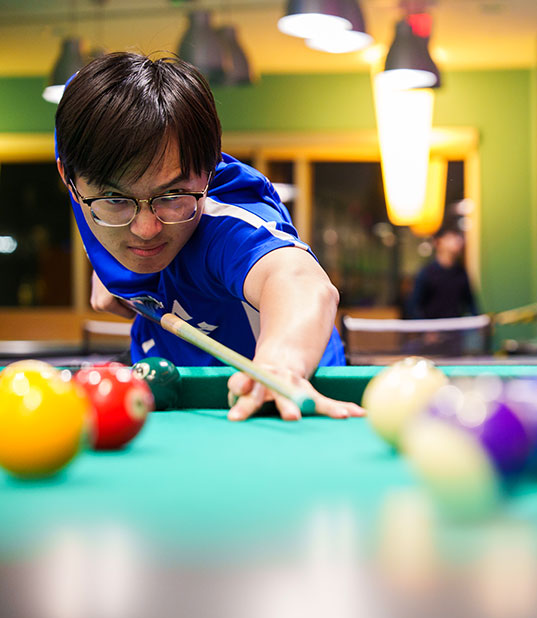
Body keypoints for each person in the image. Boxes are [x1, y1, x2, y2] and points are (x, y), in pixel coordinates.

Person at [55, 52, 363, 422]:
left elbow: (297, 280)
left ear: (208, 172)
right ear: (68, 179)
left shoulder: (224, 223)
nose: (145, 230)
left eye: (172, 195)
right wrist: (106, 271)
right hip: (167, 383)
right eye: (115, 200)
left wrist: (281, 364)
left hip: (281, 402)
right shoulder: (83, 132)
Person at [408, 226, 478, 319]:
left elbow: (471, 305)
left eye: (457, 237)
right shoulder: (427, 273)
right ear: (438, 242)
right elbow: (414, 306)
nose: (457, 241)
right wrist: (425, 325)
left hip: (455, 326)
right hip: (432, 326)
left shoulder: (461, 273)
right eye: (450, 237)